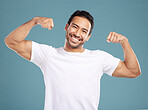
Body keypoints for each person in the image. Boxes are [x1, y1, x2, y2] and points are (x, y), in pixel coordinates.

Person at [4, 10, 141, 110]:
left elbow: (133, 71)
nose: (77, 34)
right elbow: (12, 42)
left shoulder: (99, 58)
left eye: (84, 31)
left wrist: (124, 42)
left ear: (88, 37)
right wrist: (35, 21)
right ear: (66, 27)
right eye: (74, 27)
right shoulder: (48, 55)